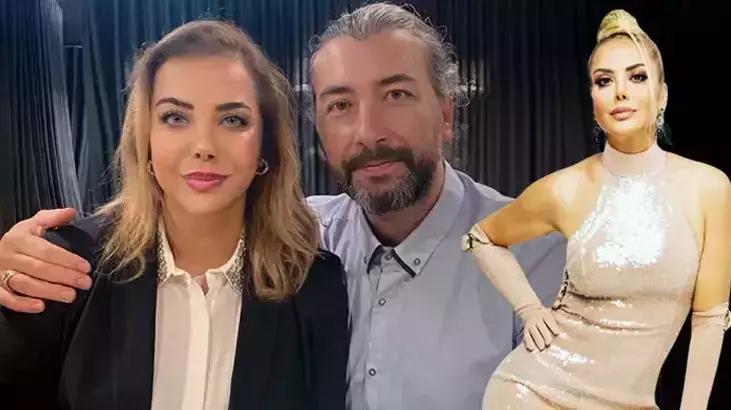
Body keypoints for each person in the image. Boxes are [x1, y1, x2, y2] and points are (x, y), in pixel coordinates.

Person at [0, 4, 565, 409]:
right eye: (340, 104)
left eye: (396, 94)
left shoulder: (541, 260)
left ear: (445, 114)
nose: (368, 132)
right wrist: (12, 261)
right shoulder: (304, 237)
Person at [0, 20, 348, 410]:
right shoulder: (65, 263)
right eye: (176, 118)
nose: (203, 146)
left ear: (264, 146)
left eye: (232, 119)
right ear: (145, 137)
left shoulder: (316, 286)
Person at [463, 10, 731, 409]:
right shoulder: (567, 188)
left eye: (636, 77)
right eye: (604, 81)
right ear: (593, 101)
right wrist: (529, 308)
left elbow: (708, 318)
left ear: (662, 95)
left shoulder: (708, 187)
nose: (620, 92)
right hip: (534, 392)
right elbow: (481, 237)